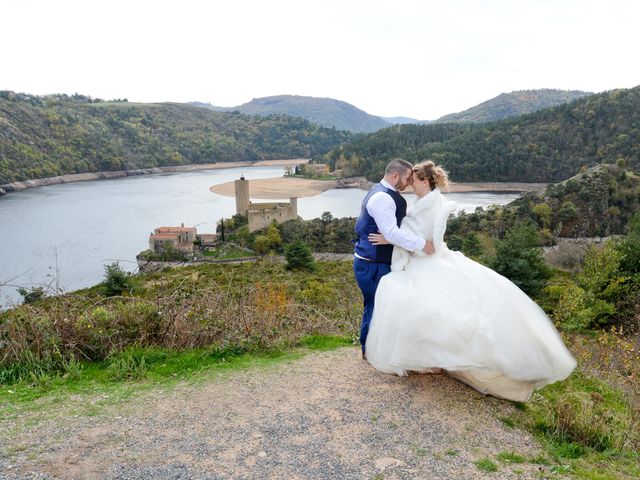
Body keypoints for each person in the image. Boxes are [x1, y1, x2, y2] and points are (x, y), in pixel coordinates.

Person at [365, 160, 576, 402]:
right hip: (418, 261)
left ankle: (449, 362)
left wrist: (391, 240)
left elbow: (431, 247)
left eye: (413, 181)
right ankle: (431, 359)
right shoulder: (422, 202)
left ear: (424, 181)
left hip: (427, 262)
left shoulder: (437, 207)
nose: (410, 185)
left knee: (431, 306)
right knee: (420, 306)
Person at [353, 158, 435, 359]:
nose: (408, 183)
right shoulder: (383, 198)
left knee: (383, 305)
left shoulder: (384, 193)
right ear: (396, 175)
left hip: (377, 262)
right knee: (376, 304)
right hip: (372, 264)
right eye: (407, 178)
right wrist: (424, 245)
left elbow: (392, 232)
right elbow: (391, 232)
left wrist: (390, 240)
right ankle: (368, 350)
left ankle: (376, 348)